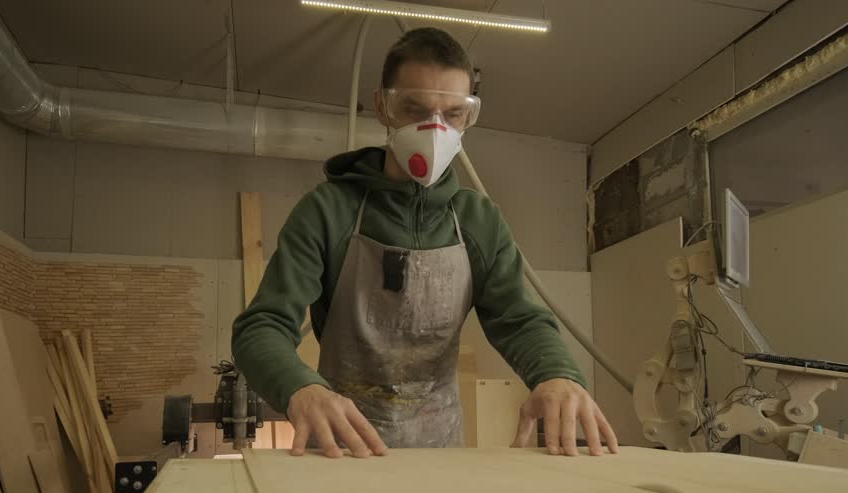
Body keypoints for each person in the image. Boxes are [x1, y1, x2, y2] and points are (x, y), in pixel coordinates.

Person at [232, 27, 618, 459]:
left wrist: (557, 375)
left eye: (453, 114)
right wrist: (301, 388)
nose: (434, 129)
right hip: (344, 448)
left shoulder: (478, 222)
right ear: (383, 106)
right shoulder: (328, 212)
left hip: (441, 451)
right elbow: (260, 327)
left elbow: (519, 320)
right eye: (413, 109)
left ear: (468, 116)